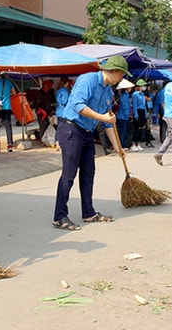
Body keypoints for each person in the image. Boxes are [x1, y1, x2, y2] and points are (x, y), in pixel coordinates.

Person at [53, 55, 129, 231]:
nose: (121, 79)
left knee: (88, 173)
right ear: (114, 71)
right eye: (121, 75)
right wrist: (102, 117)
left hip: (87, 133)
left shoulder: (108, 91)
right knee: (69, 175)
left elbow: (107, 121)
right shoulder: (87, 80)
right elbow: (78, 106)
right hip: (71, 129)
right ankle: (59, 216)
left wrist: (117, 148)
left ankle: (88, 212)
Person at [115, 78, 135, 149]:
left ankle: (122, 145)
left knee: (123, 131)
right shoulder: (124, 96)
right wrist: (128, 114)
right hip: (122, 116)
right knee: (123, 131)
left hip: (123, 116)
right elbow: (125, 107)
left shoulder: (125, 95)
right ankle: (122, 145)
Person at [54, 77, 71, 150]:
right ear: (66, 83)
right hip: (64, 112)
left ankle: (57, 143)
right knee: (63, 128)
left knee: (59, 128)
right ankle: (61, 144)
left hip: (58, 111)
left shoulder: (58, 91)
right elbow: (64, 102)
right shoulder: (64, 91)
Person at [130, 79, 147, 152]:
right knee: (136, 129)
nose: (144, 87)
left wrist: (145, 114)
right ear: (139, 86)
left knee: (141, 128)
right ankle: (133, 144)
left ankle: (138, 144)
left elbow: (144, 105)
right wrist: (136, 115)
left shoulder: (142, 94)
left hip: (143, 111)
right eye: (142, 85)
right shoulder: (135, 94)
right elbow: (134, 105)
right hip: (137, 111)